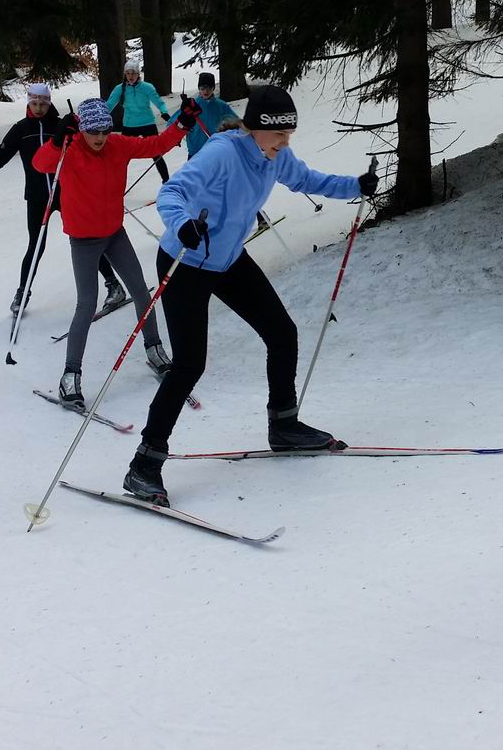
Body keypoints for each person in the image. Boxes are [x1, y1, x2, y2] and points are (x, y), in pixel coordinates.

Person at [120, 84, 379, 507]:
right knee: (189, 364)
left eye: (289, 135)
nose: (285, 142)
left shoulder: (275, 156)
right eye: (280, 134)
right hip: (186, 260)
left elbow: (308, 179)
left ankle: (284, 426)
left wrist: (356, 185)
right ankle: (144, 465)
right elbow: (172, 192)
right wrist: (182, 224)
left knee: (282, 333)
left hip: (227, 259)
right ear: (255, 128)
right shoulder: (222, 153)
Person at [32, 95, 202, 408]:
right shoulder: (69, 148)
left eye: (105, 131)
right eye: (93, 131)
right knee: (86, 304)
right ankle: (70, 375)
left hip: (114, 234)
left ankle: (154, 349)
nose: (99, 138)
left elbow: (155, 145)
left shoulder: (118, 145)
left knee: (141, 291)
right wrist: (56, 141)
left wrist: (182, 124)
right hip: (84, 240)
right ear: (82, 129)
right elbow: (40, 164)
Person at [0, 83, 124, 315]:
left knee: (84, 239)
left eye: (43, 103)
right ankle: (23, 292)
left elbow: (87, 145)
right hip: (37, 196)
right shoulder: (21, 128)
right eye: (34, 103)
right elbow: (5, 150)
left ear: (49, 103)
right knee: (35, 245)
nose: (39, 107)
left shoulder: (60, 126)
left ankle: (113, 284)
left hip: (65, 193)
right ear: (28, 103)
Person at [105, 59, 173, 182]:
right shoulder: (120, 89)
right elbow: (109, 105)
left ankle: (167, 182)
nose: (130, 76)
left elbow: (159, 102)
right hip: (129, 125)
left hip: (147, 123)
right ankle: (116, 183)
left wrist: (164, 112)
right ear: (125, 74)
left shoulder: (147, 87)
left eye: (133, 73)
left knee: (156, 153)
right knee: (123, 155)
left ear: (138, 74)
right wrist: (100, 115)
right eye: (128, 73)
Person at [185, 71, 238, 160]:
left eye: (209, 88)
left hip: (215, 150)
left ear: (213, 88)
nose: (206, 91)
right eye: (203, 88)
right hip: (195, 151)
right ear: (199, 88)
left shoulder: (221, 106)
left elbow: (236, 123)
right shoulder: (192, 105)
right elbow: (175, 123)